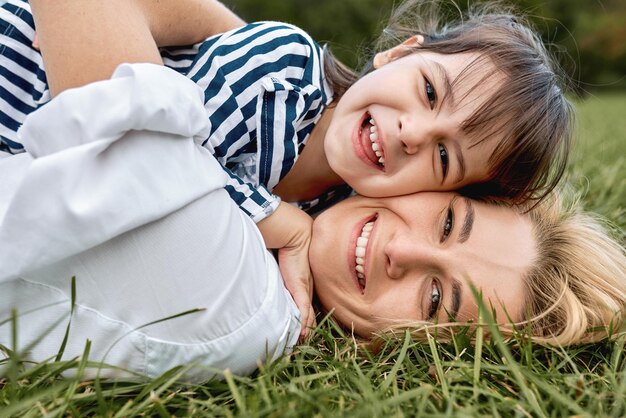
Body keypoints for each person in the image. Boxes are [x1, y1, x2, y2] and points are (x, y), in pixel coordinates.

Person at [0, 0, 624, 382]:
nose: (411, 132)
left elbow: (165, 163)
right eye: (445, 224)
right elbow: (164, 146)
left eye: (437, 298)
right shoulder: (284, 84)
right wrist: (279, 219)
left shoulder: (259, 290)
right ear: (398, 54)